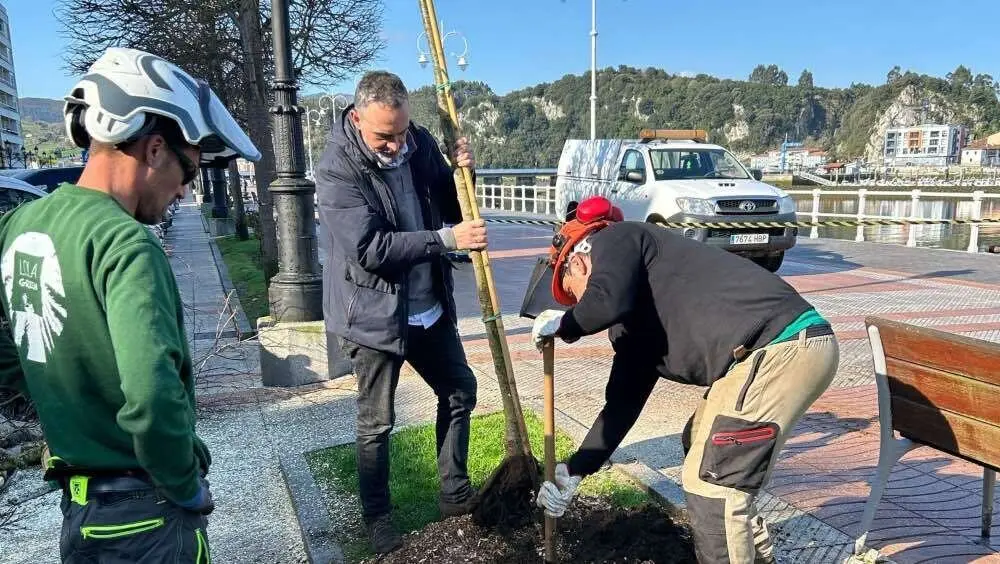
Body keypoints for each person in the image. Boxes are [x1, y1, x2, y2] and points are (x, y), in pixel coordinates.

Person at [0, 47, 260, 562]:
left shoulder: (19, 225)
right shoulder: (127, 245)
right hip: (146, 520)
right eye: (189, 172)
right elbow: (152, 396)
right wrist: (186, 485)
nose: (185, 191)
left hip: (80, 516)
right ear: (156, 149)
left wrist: (54, 390)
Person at [530, 196, 839, 564]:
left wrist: (564, 325)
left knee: (712, 484)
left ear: (578, 262)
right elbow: (621, 406)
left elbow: (603, 301)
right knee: (702, 448)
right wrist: (575, 470)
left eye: (573, 293)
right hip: (765, 354)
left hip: (779, 345)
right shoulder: (633, 323)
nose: (577, 303)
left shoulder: (618, 238)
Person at [315, 71, 485, 554]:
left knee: (458, 390)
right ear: (356, 118)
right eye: (383, 136)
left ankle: (454, 494)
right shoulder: (335, 169)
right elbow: (369, 247)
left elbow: (453, 204)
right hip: (371, 313)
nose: (395, 144)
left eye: (401, 132)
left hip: (428, 305)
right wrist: (447, 241)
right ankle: (378, 519)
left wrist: (463, 171)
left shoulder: (421, 143)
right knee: (377, 422)